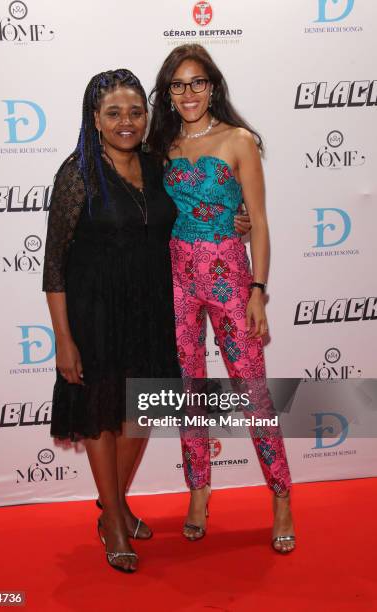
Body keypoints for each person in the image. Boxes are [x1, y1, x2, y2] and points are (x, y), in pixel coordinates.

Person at [147, 44, 296, 553]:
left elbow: (259, 221)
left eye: (197, 82)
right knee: (188, 391)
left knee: (251, 390)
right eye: (178, 85)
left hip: (231, 278)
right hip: (176, 281)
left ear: (212, 86)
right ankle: (198, 491)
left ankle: (280, 497)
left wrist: (258, 290)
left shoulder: (239, 140)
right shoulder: (159, 145)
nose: (188, 93)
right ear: (167, 93)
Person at [42, 69, 182, 573]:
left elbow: (185, 218)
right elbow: (54, 263)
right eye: (114, 113)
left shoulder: (157, 163)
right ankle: (117, 521)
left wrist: (235, 219)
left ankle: (113, 507)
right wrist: (64, 339)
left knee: (139, 412)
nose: (127, 122)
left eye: (136, 111)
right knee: (102, 414)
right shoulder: (77, 174)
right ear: (95, 119)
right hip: (95, 312)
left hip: (150, 307)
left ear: (147, 116)